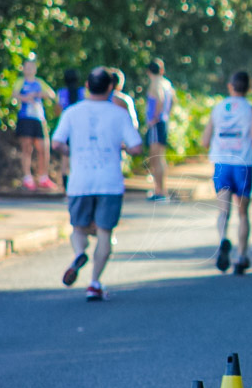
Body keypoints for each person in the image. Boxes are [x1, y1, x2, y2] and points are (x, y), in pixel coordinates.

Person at [51, 68, 143, 301]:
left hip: (79, 181)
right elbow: (136, 147)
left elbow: (56, 143)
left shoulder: (72, 112)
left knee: (78, 228)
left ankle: (79, 254)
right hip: (109, 182)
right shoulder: (118, 113)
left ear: (86, 85)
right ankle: (94, 283)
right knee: (104, 233)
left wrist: (70, 151)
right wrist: (119, 147)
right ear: (110, 87)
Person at [201, 71, 252, 275]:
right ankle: (241, 256)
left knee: (223, 210)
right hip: (242, 164)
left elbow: (204, 140)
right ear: (249, 88)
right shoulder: (250, 110)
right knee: (243, 213)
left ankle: (222, 241)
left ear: (230, 86)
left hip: (221, 164)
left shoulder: (217, 108)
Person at [13, 59, 58, 191]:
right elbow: (14, 94)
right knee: (27, 148)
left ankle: (43, 177)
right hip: (25, 117)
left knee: (43, 147)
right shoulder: (20, 82)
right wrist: (26, 97)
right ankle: (27, 177)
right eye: (27, 66)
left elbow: (51, 94)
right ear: (23, 68)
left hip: (38, 118)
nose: (30, 69)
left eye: (32, 66)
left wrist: (38, 94)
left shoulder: (39, 82)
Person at [145, 58, 175, 201]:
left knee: (155, 158)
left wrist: (154, 118)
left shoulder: (155, 83)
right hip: (164, 121)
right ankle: (161, 190)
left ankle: (159, 191)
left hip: (156, 123)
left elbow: (160, 99)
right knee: (160, 157)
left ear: (148, 71)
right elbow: (172, 100)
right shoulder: (167, 83)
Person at [55, 68, 86, 190]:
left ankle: (65, 188)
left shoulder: (61, 93)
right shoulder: (83, 92)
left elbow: (57, 112)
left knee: (65, 158)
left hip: (66, 129)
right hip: (80, 129)